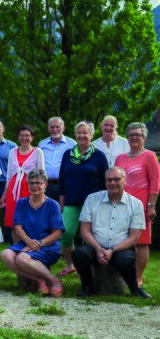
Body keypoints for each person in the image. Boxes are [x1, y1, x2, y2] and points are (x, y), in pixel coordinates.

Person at [72, 167, 151, 298]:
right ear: (105, 182)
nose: (112, 183)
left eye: (116, 179)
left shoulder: (136, 204)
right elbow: (84, 230)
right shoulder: (92, 199)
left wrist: (112, 250)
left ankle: (135, 289)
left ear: (125, 181)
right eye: (109, 180)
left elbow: (134, 237)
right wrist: (98, 249)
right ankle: (87, 287)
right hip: (94, 247)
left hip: (120, 249)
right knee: (79, 254)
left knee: (126, 259)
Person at [0, 169, 64, 296]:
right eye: (31, 183)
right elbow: (17, 227)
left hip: (47, 245)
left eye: (38, 183)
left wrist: (39, 243)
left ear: (45, 184)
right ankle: (40, 280)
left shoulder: (53, 205)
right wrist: (28, 241)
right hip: (26, 242)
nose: (34, 186)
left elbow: (57, 233)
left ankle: (54, 280)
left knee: (21, 258)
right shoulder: (22, 203)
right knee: (5, 254)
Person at [57, 121, 109, 277]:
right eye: (79, 132)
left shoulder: (99, 156)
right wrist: (61, 200)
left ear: (91, 135)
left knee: (91, 237)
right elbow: (62, 179)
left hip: (93, 204)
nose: (82, 135)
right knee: (66, 233)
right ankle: (69, 265)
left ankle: (86, 267)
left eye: (85, 133)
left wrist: (105, 202)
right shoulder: (68, 154)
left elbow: (105, 181)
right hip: (71, 201)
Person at [114, 122, 159, 287]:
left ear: (144, 137)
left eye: (138, 135)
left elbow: (155, 182)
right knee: (121, 240)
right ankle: (121, 275)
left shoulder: (150, 156)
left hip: (140, 207)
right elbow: (114, 182)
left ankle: (137, 278)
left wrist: (151, 205)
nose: (134, 137)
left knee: (141, 242)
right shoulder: (120, 158)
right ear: (127, 137)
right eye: (131, 134)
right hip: (120, 205)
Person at [0, 125, 45, 243]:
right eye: (22, 135)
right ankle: (16, 250)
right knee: (15, 224)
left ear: (32, 137)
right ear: (18, 137)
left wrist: (42, 193)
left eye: (27, 136)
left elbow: (42, 173)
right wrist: (4, 195)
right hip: (13, 194)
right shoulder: (12, 152)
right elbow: (9, 174)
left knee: (29, 223)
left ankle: (30, 250)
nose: (24, 138)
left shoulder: (37, 152)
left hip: (30, 191)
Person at [38, 117, 76, 202]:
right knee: (46, 211)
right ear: (48, 129)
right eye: (52, 127)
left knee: (63, 212)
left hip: (64, 185)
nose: (54, 129)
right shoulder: (42, 144)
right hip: (45, 185)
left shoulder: (72, 144)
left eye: (57, 126)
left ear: (63, 128)